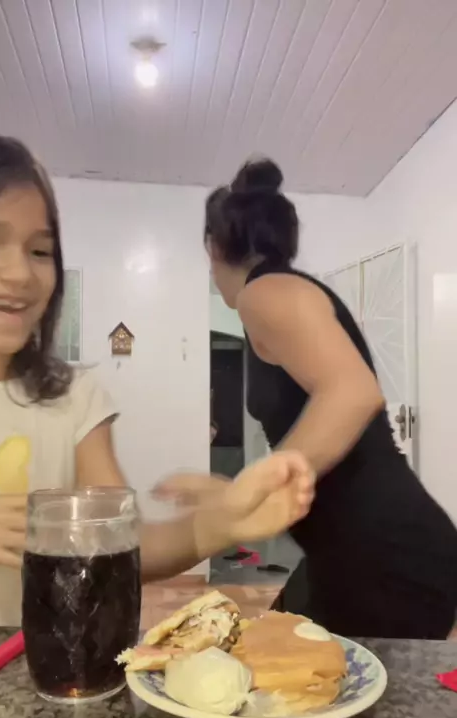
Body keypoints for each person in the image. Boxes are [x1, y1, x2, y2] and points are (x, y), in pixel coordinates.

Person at [0, 130, 315, 627]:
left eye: (40, 251)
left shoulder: (75, 398)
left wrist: (225, 520)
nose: (19, 274)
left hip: (39, 662)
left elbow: (125, 544)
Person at [162, 158, 457, 640]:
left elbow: (354, 393)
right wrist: (241, 494)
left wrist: (249, 490)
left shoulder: (263, 293)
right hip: (351, 547)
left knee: (319, 677)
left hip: (383, 552)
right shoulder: (281, 291)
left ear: (214, 247)